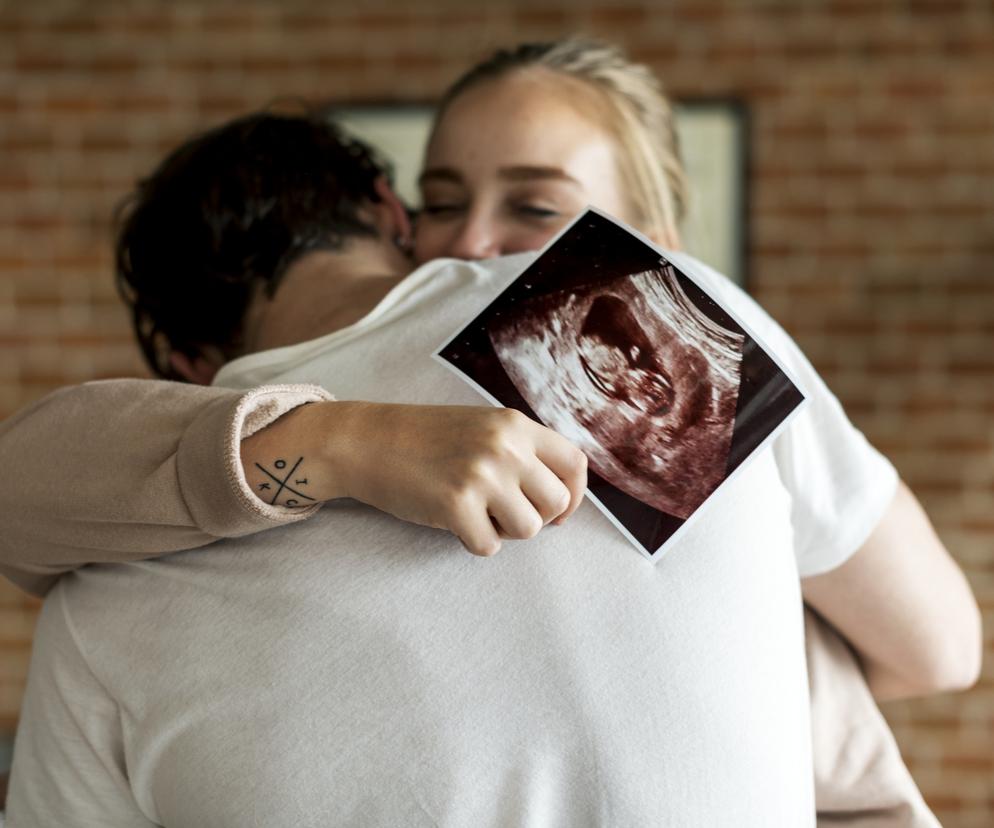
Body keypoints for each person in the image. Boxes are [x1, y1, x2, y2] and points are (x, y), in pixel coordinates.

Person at [0, 40, 976, 823]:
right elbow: (938, 647)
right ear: (391, 213)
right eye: (444, 203)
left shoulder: (104, 582)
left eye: (536, 206)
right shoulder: (618, 311)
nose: (474, 247)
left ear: (181, 362)